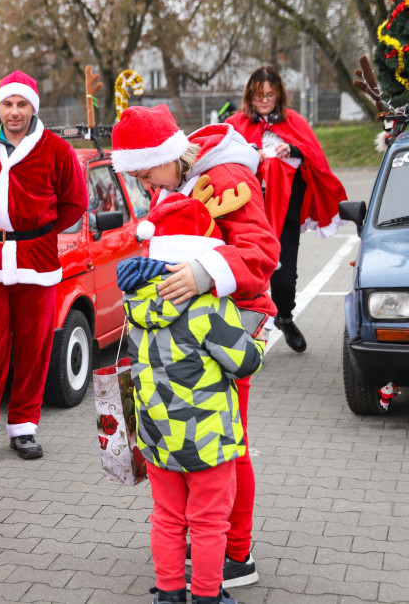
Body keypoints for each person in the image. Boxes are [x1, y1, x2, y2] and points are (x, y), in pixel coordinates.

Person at [112, 105, 280, 589]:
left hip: (232, 323)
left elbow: (262, 251)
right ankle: (205, 537)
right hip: (192, 328)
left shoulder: (224, 176)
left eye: (147, 173)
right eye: (139, 177)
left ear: (168, 155)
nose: (148, 185)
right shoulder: (171, 176)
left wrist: (204, 272)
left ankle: (235, 551)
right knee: (203, 446)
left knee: (229, 447)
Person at [116, 192, 262, 604]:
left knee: (166, 518)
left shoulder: (135, 306)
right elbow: (244, 361)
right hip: (207, 438)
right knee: (209, 523)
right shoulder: (207, 307)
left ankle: (168, 594)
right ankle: (205, 596)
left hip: (158, 437)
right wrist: (260, 340)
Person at [0, 70, 87, 460]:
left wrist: (38, 230)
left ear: (33, 108)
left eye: (22, 104)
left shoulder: (56, 149)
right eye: (8, 104)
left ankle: (23, 428)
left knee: (34, 348)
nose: (14, 112)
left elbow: (74, 202)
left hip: (37, 260)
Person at [226, 65, 348, 353]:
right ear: (250, 96)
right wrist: (249, 154)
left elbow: (314, 157)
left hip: (286, 213)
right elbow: (221, 159)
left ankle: (284, 317)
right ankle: (250, 334)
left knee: (284, 276)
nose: (264, 100)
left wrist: (291, 150)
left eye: (269, 94)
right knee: (249, 275)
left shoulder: (294, 121)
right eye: (258, 95)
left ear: (278, 94)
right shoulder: (236, 123)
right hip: (248, 214)